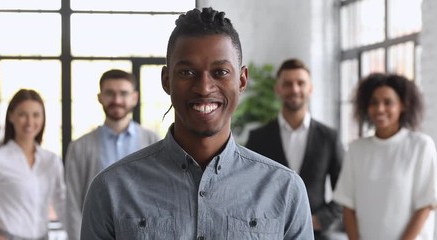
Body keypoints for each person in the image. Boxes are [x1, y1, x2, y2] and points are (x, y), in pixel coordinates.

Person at [80, 7, 314, 239]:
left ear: (242, 80)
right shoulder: (111, 189)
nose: (204, 88)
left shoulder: (285, 189)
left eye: (220, 72)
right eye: (187, 72)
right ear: (166, 80)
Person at [245, 58, 344, 239]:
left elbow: (344, 190)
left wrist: (319, 220)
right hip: (269, 233)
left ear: (310, 88)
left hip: (317, 234)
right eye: (288, 84)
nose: (295, 89)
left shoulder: (329, 137)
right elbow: (248, 189)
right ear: (278, 89)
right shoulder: (258, 138)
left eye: (301, 83)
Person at [333, 73, 437, 239]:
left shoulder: (421, 146)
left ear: (402, 105)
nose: (380, 108)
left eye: (388, 102)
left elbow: (425, 205)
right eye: (374, 102)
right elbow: (348, 206)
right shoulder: (356, 149)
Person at [64, 69, 160, 240]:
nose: (116, 100)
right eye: (110, 93)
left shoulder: (153, 141)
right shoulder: (79, 147)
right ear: (100, 97)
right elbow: (71, 203)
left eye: (123, 93)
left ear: (134, 98)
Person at [0, 89, 66, 240]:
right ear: (11, 116)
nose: (30, 122)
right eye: (22, 114)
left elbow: (62, 203)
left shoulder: (52, 160)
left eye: (36, 115)